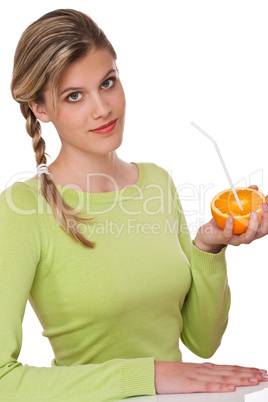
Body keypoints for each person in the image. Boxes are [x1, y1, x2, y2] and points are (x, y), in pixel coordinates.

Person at [0, 8, 268, 402]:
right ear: (41, 110)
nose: (103, 108)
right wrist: (147, 376)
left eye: (107, 83)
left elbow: (202, 343)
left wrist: (209, 246)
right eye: (75, 96)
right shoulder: (22, 208)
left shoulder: (156, 181)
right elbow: (4, 380)